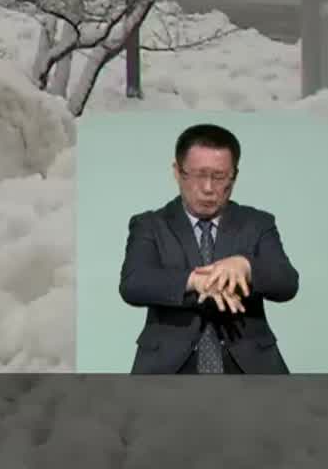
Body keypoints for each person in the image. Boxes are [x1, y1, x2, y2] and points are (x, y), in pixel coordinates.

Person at [118, 123, 299, 374]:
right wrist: (194, 281)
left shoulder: (257, 223)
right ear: (178, 172)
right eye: (199, 175)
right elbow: (133, 283)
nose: (208, 188)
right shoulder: (149, 224)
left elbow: (287, 282)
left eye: (219, 177)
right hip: (168, 368)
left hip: (250, 365)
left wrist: (245, 267)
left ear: (234, 175)